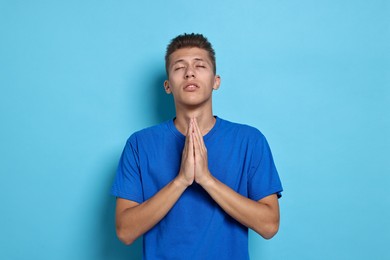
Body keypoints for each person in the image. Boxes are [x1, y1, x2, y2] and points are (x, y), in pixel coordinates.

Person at [111, 33, 283, 259]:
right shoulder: (139, 144)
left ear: (215, 81)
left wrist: (206, 179)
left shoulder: (250, 140)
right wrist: (181, 180)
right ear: (167, 86)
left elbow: (269, 225)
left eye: (199, 65)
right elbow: (125, 231)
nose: (189, 72)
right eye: (179, 67)